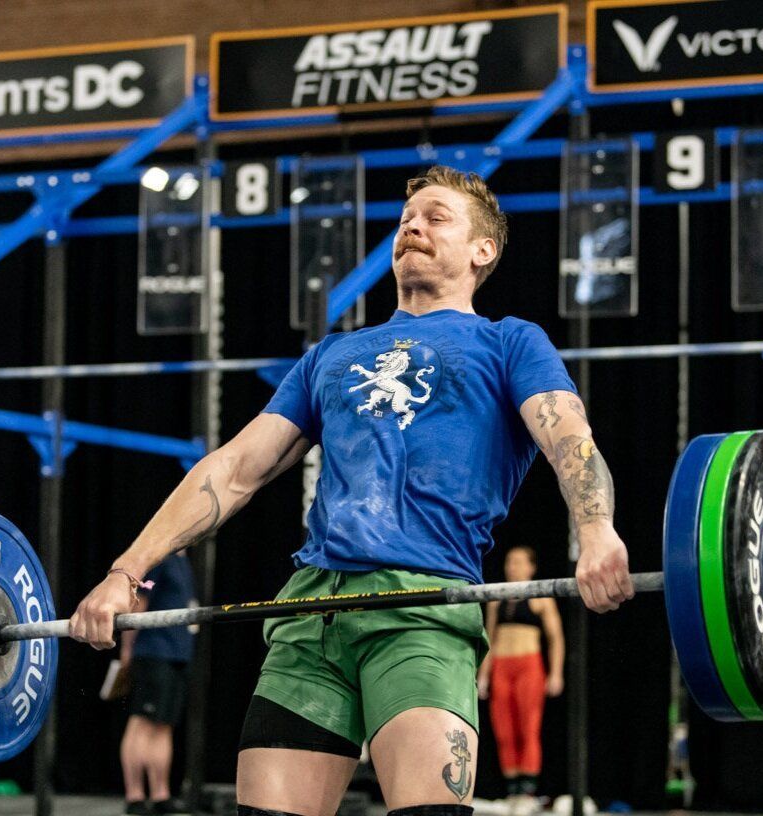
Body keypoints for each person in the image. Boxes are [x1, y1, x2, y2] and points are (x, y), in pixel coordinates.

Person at [69, 165, 634, 815]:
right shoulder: (330, 357)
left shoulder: (508, 342)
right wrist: (126, 571)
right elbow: (231, 471)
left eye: (436, 216)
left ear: (484, 250)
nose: (413, 226)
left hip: (421, 607)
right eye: (406, 219)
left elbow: (569, 437)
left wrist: (595, 532)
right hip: (311, 615)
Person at [477, 547, 564, 815]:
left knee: (528, 729)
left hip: (529, 666)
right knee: (504, 730)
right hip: (502, 667)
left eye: (518, 562)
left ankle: (527, 792)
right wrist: (483, 674)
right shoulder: (496, 598)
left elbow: (556, 638)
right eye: (508, 561)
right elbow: (489, 638)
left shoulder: (541, 597)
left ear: (531, 567)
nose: (512, 567)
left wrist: (556, 673)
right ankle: (513, 792)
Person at [118, 551, 196, 816]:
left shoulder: (183, 561)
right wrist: (127, 649)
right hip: (153, 652)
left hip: (178, 653)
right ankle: (135, 795)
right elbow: (141, 599)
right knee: (142, 721)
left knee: (164, 726)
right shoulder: (159, 557)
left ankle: (160, 794)